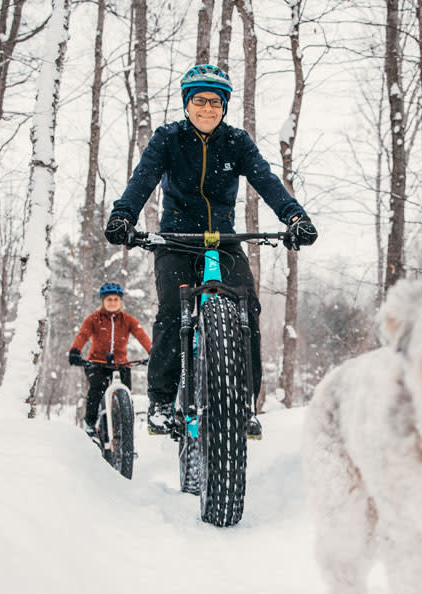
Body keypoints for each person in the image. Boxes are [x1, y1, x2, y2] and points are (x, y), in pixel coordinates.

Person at [103, 64, 318, 440]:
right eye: (199, 101)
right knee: (172, 311)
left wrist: (295, 217)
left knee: (246, 309)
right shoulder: (168, 139)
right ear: (187, 104)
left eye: (215, 102)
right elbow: (144, 178)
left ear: (224, 107)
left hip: (222, 240)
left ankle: (244, 406)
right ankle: (160, 401)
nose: (207, 108)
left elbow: (266, 180)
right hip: (176, 239)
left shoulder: (236, 142)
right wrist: (124, 216)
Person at [68, 282, 152, 437]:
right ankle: (90, 425)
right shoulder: (94, 319)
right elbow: (83, 335)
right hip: (97, 363)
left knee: (126, 396)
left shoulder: (128, 320)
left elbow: (141, 335)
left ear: (120, 301)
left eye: (115, 299)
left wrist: (152, 351)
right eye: (109, 299)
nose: (112, 302)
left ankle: (125, 434)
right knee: (96, 391)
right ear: (103, 301)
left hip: (121, 363)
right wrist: (75, 351)